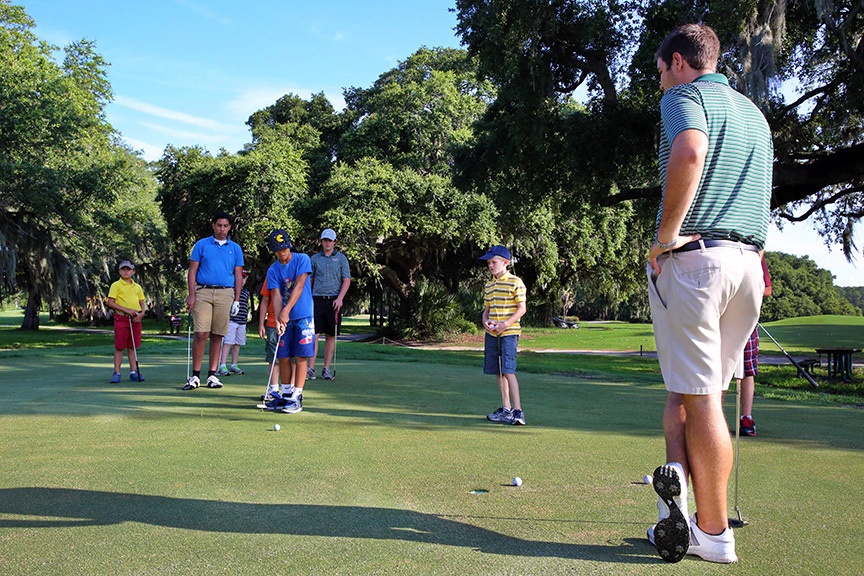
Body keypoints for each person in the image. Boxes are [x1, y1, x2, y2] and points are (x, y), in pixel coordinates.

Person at [646, 24, 772, 564]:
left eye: (658, 73)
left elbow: (691, 151)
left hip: (697, 261)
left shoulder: (685, 96)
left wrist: (665, 237)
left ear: (677, 62)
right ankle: (674, 514)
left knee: (700, 400)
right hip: (748, 265)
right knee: (691, 394)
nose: (659, 85)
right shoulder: (754, 114)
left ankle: (714, 534)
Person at [183, 211, 245, 390]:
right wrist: (191, 294)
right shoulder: (202, 245)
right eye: (219, 225)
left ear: (230, 227)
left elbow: (238, 275)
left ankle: (212, 375)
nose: (222, 229)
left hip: (226, 293)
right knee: (201, 333)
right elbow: (192, 271)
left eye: (226, 226)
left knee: (218, 334)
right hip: (203, 291)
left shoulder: (235, 248)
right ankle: (195, 376)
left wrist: (237, 300)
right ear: (213, 226)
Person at [265, 229, 314, 414]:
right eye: (278, 250)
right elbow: (276, 295)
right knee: (283, 356)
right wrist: (278, 319)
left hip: (303, 316)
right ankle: (285, 395)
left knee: (300, 356)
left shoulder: (303, 259)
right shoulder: (273, 270)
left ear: (289, 245)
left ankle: (297, 397)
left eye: (284, 248)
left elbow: (300, 286)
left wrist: (286, 311)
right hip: (285, 319)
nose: (282, 252)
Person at [480, 245, 527, 426]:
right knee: (498, 372)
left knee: (508, 370)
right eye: (489, 263)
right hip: (492, 333)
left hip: (509, 332)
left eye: (494, 262)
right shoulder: (489, 285)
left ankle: (518, 411)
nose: (490, 265)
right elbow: (487, 310)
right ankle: (505, 408)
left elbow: (522, 308)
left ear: (505, 262)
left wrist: (505, 324)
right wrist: (485, 321)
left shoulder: (516, 282)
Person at [308, 228, 351, 381]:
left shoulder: (341, 259)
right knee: (313, 335)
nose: (327, 243)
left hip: (334, 300)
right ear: (321, 241)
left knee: (330, 336)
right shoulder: (314, 259)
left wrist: (340, 299)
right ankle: (310, 368)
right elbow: (310, 280)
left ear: (334, 242)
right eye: (325, 240)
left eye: (330, 240)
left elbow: (346, 280)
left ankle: (326, 369)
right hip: (317, 299)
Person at [738, 256, 773, 436]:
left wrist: (746, 290)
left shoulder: (756, 255)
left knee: (747, 370)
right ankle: (713, 418)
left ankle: (746, 417)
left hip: (747, 320)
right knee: (716, 370)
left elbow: (767, 289)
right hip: (718, 317)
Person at [106, 260, 146, 383]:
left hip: (135, 319)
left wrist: (142, 314)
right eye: (123, 269)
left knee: (132, 346)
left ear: (133, 271)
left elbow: (142, 303)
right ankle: (117, 372)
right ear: (119, 271)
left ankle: (133, 372)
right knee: (120, 346)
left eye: (128, 269)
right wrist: (127, 310)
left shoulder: (137, 287)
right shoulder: (116, 285)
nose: (126, 271)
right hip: (121, 318)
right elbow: (110, 302)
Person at [217, 269, 251, 376]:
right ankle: (222, 365)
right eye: (241, 277)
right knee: (228, 342)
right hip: (231, 321)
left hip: (242, 322)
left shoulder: (246, 292)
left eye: (244, 278)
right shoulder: (231, 290)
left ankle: (233, 364)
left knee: (238, 344)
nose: (242, 280)